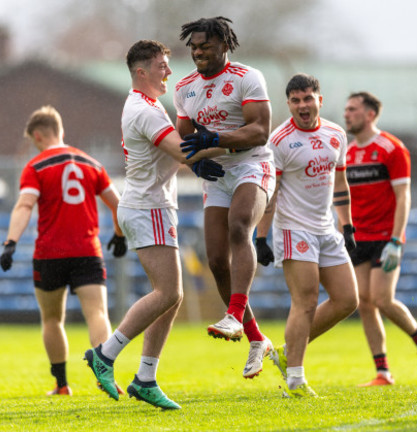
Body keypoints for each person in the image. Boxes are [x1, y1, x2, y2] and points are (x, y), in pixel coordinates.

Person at [83, 40, 225, 410]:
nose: (169, 71)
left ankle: (146, 377)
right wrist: (239, 142)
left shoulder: (145, 106)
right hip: (148, 208)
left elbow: (179, 153)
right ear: (141, 72)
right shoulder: (144, 110)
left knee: (171, 295)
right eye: (162, 65)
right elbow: (181, 151)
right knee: (168, 293)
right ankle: (106, 355)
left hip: (151, 207)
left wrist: (199, 156)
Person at [0, 105, 127, 396]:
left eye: (33, 141)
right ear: (61, 131)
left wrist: (10, 243)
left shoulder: (36, 167)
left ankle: (61, 385)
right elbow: (117, 204)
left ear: (39, 135)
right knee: (96, 313)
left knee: (52, 319)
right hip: (87, 250)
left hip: (50, 254)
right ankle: (105, 375)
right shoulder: (92, 164)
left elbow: (24, 205)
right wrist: (119, 236)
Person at [174, 16, 276, 379]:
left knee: (239, 227)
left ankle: (233, 314)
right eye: (194, 46)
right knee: (217, 259)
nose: (198, 51)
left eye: (206, 45)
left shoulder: (247, 77)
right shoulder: (184, 88)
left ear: (224, 46)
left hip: (252, 165)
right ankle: (255, 339)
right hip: (217, 173)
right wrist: (196, 165)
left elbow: (260, 131)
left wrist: (213, 140)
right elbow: (186, 142)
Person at [254, 74, 359, 397]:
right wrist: (261, 237)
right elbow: (270, 194)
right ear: (288, 104)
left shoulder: (336, 134)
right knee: (306, 301)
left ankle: (287, 352)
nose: (303, 105)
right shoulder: (280, 141)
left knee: (347, 300)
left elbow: (339, 183)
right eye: (296, 100)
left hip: (326, 228)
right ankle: (295, 380)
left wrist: (348, 225)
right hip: (293, 228)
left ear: (319, 101)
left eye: (308, 98)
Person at [343, 91, 417, 386]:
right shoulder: (345, 153)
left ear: (370, 114)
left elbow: (403, 196)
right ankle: (383, 371)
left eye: (353, 109)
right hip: (358, 237)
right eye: (345, 110)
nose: (346, 114)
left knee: (383, 299)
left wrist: (397, 240)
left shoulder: (392, 148)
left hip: (385, 236)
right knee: (364, 302)